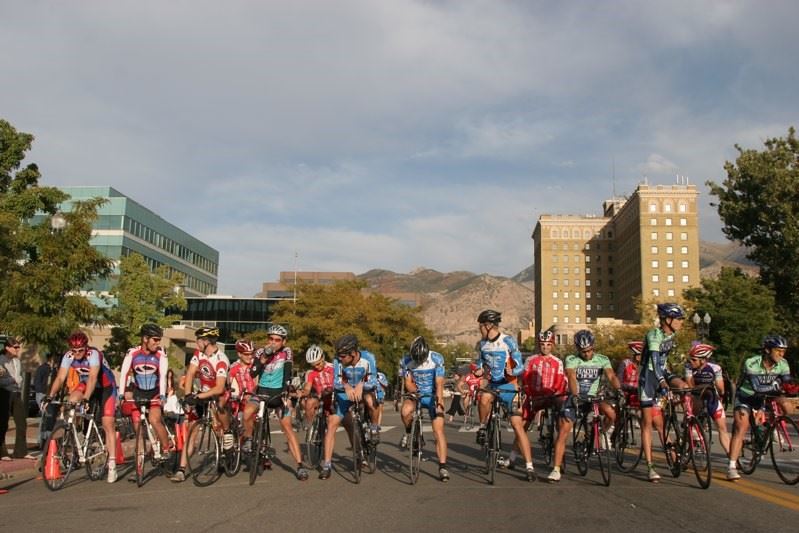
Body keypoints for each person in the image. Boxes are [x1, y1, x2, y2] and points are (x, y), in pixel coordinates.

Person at [546, 329, 621, 482]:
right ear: (577, 349)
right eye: (583, 351)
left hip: (594, 397)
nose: (586, 354)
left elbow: (611, 375)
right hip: (577, 397)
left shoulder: (602, 359)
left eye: (588, 351)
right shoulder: (572, 359)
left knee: (612, 414)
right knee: (563, 430)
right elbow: (572, 378)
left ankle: (600, 434)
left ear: (593, 347)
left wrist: (619, 390)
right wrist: (574, 395)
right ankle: (556, 469)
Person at [46, 332, 118, 481]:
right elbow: (60, 377)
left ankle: (112, 464)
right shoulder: (69, 356)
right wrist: (50, 396)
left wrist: (86, 399)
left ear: (86, 348)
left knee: (107, 423)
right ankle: (75, 432)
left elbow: (93, 376)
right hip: (86, 384)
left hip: (105, 387)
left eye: (80, 350)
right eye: (74, 350)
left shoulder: (94, 354)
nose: (77, 354)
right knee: (71, 401)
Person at [474, 309, 536, 482]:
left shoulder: (507, 341)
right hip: (492, 385)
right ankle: (482, 427)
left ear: (488, 325)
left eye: (481, 325)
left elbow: (520, 367)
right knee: (484, 398)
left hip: (509, 385)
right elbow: (480, 364)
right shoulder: (482, 344)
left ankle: (529, 466)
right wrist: (479, 370)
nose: (479, 328)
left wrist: (512, 370)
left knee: (517, 425)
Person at [727, 335, 797, 481]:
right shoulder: (752, 363)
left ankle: (772, 426)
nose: (781, 354)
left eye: (783, 351)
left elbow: (786, 384)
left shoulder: (783, 364)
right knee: (742, 426)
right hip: (747, 397)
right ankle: (732, 466)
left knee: (787, 406)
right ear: (767, 350)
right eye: (778, 351)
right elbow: (757, 387)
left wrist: (791, 387)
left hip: (768, 396)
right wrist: (777, 388)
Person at [243, 324, 308, 481]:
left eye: (277, 340)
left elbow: (287, 371)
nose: (273, 342)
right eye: (271, 339)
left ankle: (300, 466)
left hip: (278, 394)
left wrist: (286, 390)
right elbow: (252, 373)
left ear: (283, 341)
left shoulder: (287, 352)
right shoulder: (260, 352)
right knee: (247, 412)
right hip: (261, 392)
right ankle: (250, 439)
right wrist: (263, 359)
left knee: (287, 428)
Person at [173, 326, 232, 482]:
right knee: (192, 430)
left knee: (220, 404)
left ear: (205, 341)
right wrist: (188, 395)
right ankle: (181, 469)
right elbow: (191, 373)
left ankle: (227, 432)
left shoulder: (221, 359)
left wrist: (199, 396)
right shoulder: (198, 354)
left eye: (198, 340)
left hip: (218, 392)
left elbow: (219, 387)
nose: (196, 343)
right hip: (203, 393)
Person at [638, 302, 689, 483]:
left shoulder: (672, 335)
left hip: (662, 371)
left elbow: (665, 361)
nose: (681, 322)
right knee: (648, 422)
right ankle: (650, 467)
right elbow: (653, 360)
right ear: (667, 320)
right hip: (648, 378)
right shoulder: (654, 335)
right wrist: (662, 382)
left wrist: (674, 381)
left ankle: (689, 424)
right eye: (679, 319)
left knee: (684, 387)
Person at [319, 334, 380, 480]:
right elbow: (336, 383)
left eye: (343, 356)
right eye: (338, 355)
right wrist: (346, 386)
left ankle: (374, 427)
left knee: (371, 402)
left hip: (363, 392)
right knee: (332, 422)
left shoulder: (368, 358)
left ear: (353, 353)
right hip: (344, 395)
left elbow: (373, 381)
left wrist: (361, 385)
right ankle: (327, 464)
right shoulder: (337, 361)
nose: (340, 358)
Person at [118, 324, 172, 482]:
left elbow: (162, 376)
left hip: (154, 392)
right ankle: (139, 467)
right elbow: (123, 374)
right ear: (145, 339)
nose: (157, 343)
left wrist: (162, 395)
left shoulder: (161, 354)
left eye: (159, 340)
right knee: (138, 432)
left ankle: (166, 449)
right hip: (138, 392)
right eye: (155, 340)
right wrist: (121, 394)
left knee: (154, 420)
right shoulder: (132, 353)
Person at [512, 329, 566, 470]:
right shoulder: (531, 360)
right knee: (522, 427)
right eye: (542, 344)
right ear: (538, 345)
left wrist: (554, 393)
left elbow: (560, 381)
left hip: (551, 396)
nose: (545, 347)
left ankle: (561, 459)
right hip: (534, 397)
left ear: (552, 345)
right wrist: (529, 392)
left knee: (562, 423)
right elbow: (525, 379)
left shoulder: (558, 361)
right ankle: (512, 457)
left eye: (548, 344)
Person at [399, 336, 450, 481]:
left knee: (438, 430)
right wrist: (415, 392)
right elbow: (408, 382)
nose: (419, 362)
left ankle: (442, 466)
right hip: (417, 393)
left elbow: (439, 383)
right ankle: (411, 433)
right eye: (417, 359)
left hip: (433, 395)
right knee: (405, 411)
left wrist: (439, 403)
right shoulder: (406, 361)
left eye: (421, 359)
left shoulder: (436, 358)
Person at [684, 343, 731, 455]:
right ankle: (687, 438)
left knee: (722, 428)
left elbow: (721, 389)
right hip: (696, 396)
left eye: (694, 359)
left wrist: (720, 391)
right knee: (690, 413)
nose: (691, 361)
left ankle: (732, 459)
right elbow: (690, 385)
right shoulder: (688, 367)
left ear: (703, 360)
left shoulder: (715, 368)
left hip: (711, 397)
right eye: (690, 359)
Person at [0, 337, 31, 461]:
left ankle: (21, 451)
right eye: (16, 347)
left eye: (19, 347)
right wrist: (12, 380)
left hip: (16, 392)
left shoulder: (17, 361)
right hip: (4, 393)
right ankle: (2, 453)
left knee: (22, 422)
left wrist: (14, 380)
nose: (18, 349)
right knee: (3, 423)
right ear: (7, 348)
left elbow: (19, 378)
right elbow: (2, 381)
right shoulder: (1, 360)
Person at [300, 344, 334, 428]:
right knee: (308, 402)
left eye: (318, 363)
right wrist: (302, 393)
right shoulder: (310, 373)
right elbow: (307, 388)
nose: (316, 367)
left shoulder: (333, 368)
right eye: (313, 365)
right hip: (320, 397)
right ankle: (312, 427)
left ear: (323, 357)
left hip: (332, 397)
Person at [228, 339, 257, 417]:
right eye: (246, 354)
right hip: (240, 401)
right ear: (239, 354)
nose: (250, 356)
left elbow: (258, 381)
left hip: (255, 400)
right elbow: (228, 384)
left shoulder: (255, 365)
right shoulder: (233, 367)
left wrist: (253, 394)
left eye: (251, 354)